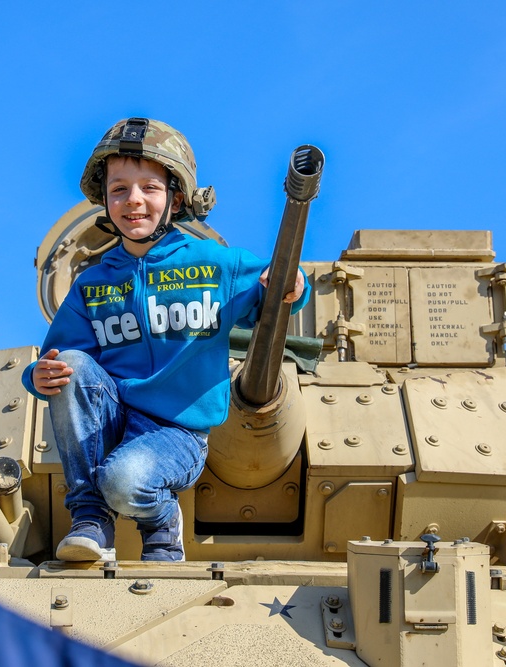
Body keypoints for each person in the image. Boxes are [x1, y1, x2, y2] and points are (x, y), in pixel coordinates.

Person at [21, 118, 310, 562]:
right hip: (112, 422)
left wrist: (292, 284)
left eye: (149, 188)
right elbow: (57, 358)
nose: (133, 200)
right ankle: (90, 519)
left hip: (177, 432)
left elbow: (280, 286)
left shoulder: (216, 266)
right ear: (104, 200)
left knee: (124, 481)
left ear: (176, 198)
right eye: (119, 189)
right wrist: (36, 375)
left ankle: (160, 523)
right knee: (73, 367)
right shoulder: (91, 285)